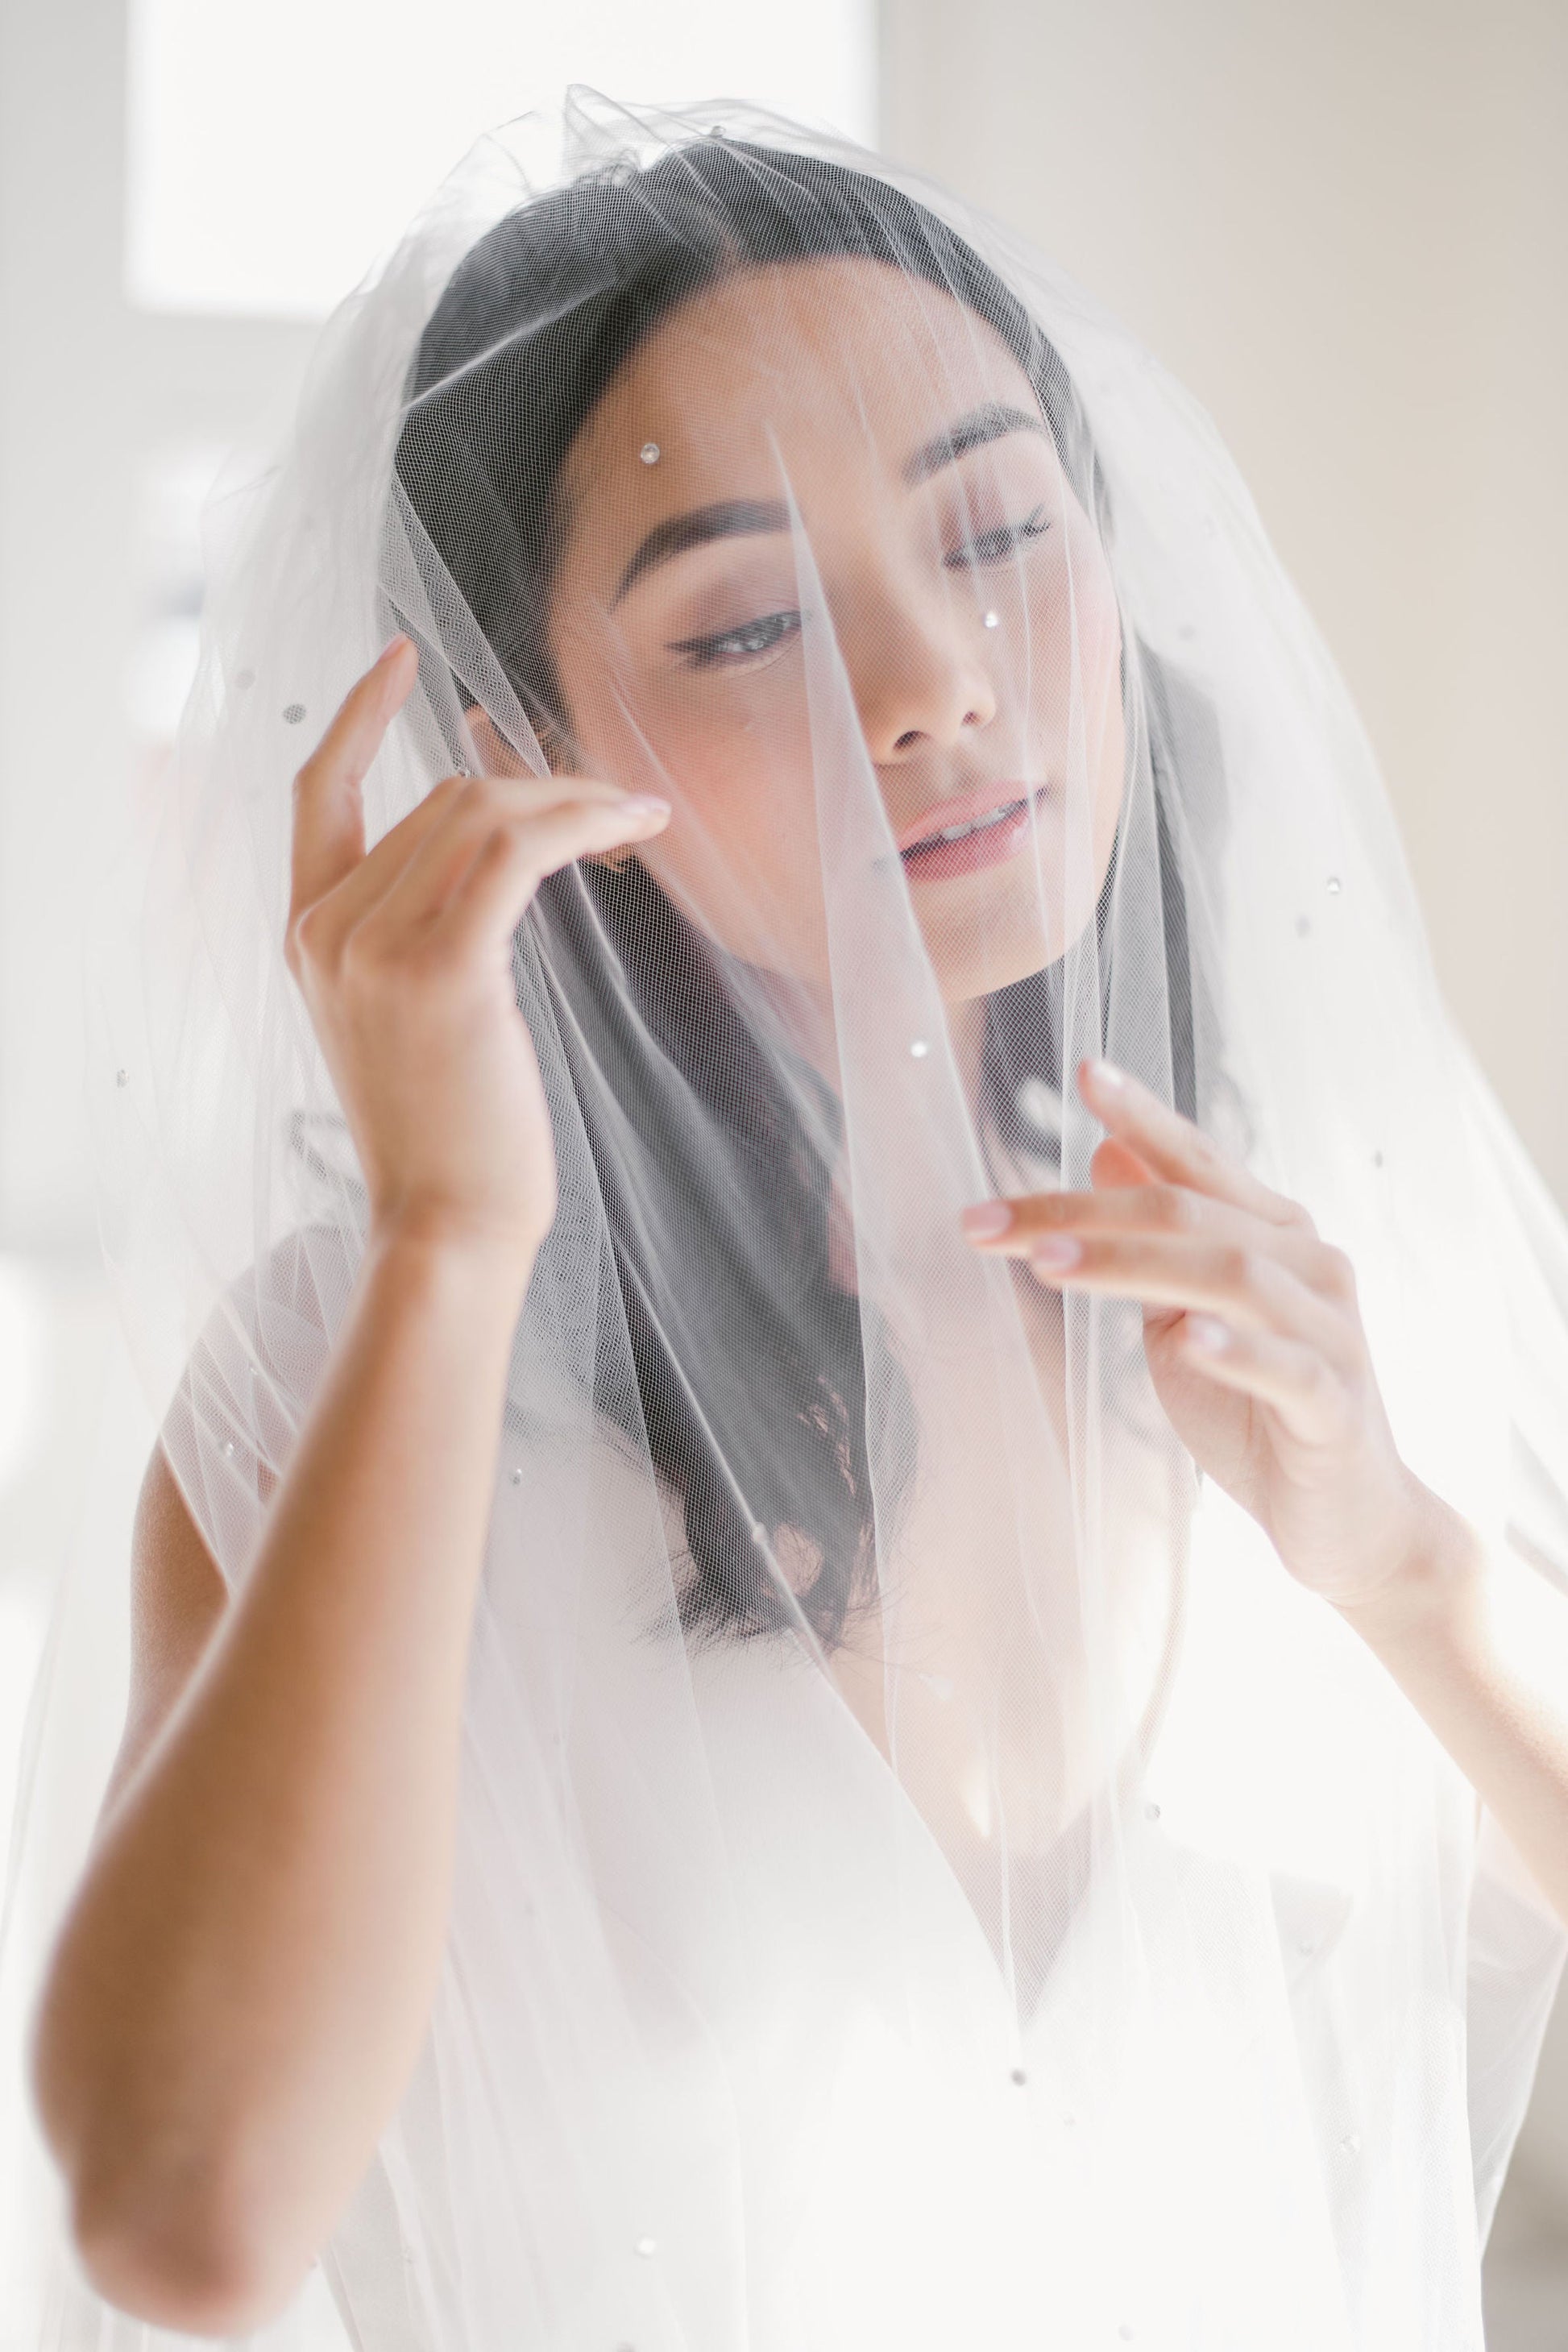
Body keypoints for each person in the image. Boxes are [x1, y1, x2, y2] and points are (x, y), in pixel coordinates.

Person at [12, 96, 1568, 2352]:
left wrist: (1402, 1563)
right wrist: (454, 1240)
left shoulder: (1285, 1290)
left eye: (999, 530)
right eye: (742, 627)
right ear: (520, 737)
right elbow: (192, 2221)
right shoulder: (358, 1368)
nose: (930, 680)